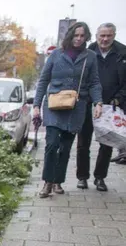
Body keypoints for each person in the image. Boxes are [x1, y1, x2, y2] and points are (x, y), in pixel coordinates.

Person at [34, 22, 103, 198]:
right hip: (54, 106)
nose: (79, 39)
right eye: (76, 35)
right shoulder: (57, 54)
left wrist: (98, 103)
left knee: (65, 147)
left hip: (76, 108)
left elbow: (94, 82)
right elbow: (43, 80)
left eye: (82, 36)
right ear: (70, 36)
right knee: (51, 145)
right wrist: (36, 105)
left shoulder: (90, 57)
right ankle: (47, 183)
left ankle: (58, 181)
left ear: (87, 37)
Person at [75, 23, 126, 191]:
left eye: (108, 36)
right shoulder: (88, 52)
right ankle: (82, 177)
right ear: (96, 36)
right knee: (83, 143)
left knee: (106, 143)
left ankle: (100, 178)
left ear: (114, 35)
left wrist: (118, 99)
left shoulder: (122, 53)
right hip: (88, 103)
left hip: (111, 105)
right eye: (101, 36)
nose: (105, 39)